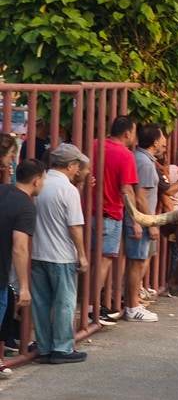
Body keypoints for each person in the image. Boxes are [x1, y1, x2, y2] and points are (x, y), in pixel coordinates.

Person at [31, 144, 90, 364]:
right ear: (71, 165)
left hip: (38, 253)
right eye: (78, 166)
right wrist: (82, 255)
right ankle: (63, 348)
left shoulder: (41, 184)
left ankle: (44, 346)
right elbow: (75, 226)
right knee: (65, 302)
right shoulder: (68, 190)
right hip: (62, 255)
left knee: (41, 302)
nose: (79, 170)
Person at [0, 159, 44, 373]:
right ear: (36, 181)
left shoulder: (2, 190)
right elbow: (20, 247)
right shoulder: (26, 206)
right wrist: (24, 287)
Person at [94, 116, 138, 326]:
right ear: (127, 133)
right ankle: (93, 308)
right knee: (104, 261)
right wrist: (136, 219)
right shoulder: (125, 155)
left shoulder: (94, 145)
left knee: (89, 261)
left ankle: (90, 305)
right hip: (111, 213)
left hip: (87, 212)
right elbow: (126, 189)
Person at [126, 124, 165, 323]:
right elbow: (141, 196)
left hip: (140, 218)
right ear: (156, 141)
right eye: (163, 137)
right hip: (142, 218)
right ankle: (133, 305)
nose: (165, 141)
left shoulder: (140, 159)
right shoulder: (146, 163)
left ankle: (134, 302)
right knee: (138, 262)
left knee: (139, 261)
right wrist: (151, 223)